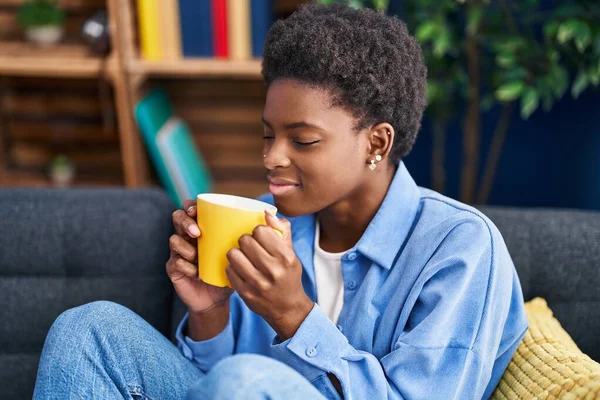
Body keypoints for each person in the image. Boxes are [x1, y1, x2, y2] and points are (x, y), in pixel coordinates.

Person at [33, 3, 528, 399]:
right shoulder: (262, 223)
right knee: (89, 329)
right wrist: (210, 312)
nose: (271, 158)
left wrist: (293, 314)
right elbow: (211, 388)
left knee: (246, 379)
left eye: (303, 140)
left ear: (376, 143)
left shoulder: (459, 248)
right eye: (268, 135)